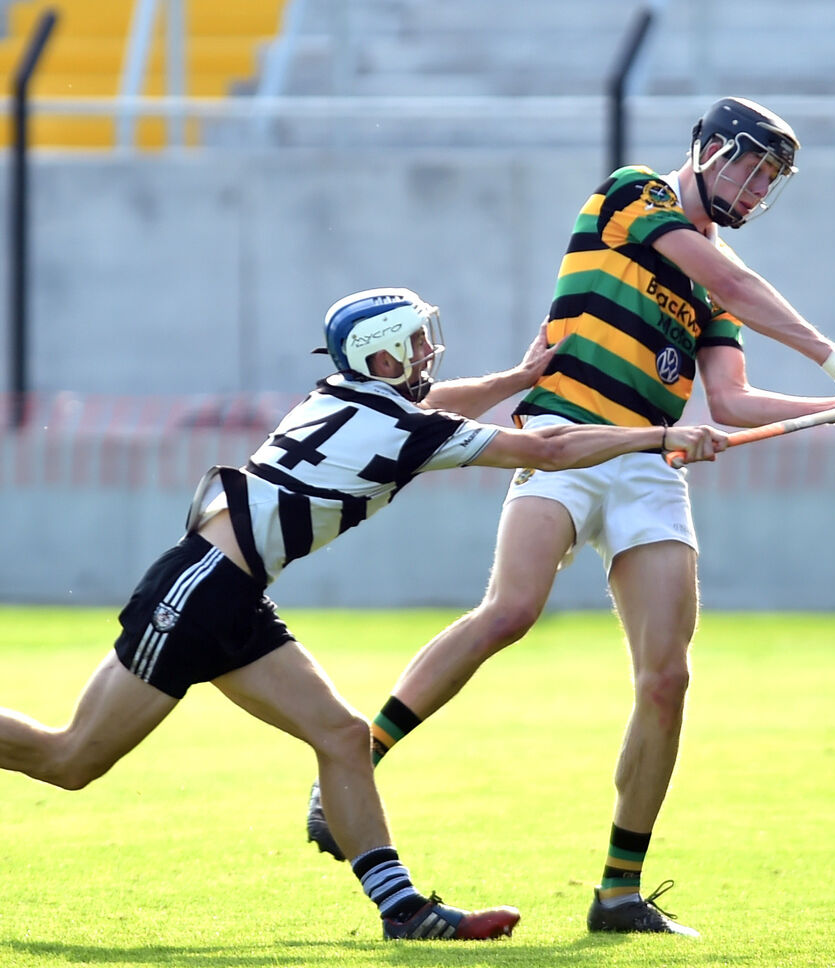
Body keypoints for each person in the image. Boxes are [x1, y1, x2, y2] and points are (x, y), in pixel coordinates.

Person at [305, 97, 835, 936]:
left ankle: (619, 893)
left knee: (667, 680)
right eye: (747, 166)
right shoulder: (635, 195)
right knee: (511, 611)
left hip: (650, 465)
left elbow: (732, 402)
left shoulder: (713, 290)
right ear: (706, 150)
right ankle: (355, 762)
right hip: (563, 437)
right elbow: (733, 281)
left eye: (769, 179)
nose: (755, 188)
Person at [0, 286, 727, 942]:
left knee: (344, 737)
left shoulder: (346, 395)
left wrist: (515, 379)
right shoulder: (402, 427)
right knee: (71, 760)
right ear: (377, 358)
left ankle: (404, 913)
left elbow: (441, 405)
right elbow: (549, 446)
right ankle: (404, 910)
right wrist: (661, 435)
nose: (426, 352)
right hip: (198, 593)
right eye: (410, 343)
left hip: (234, 595)